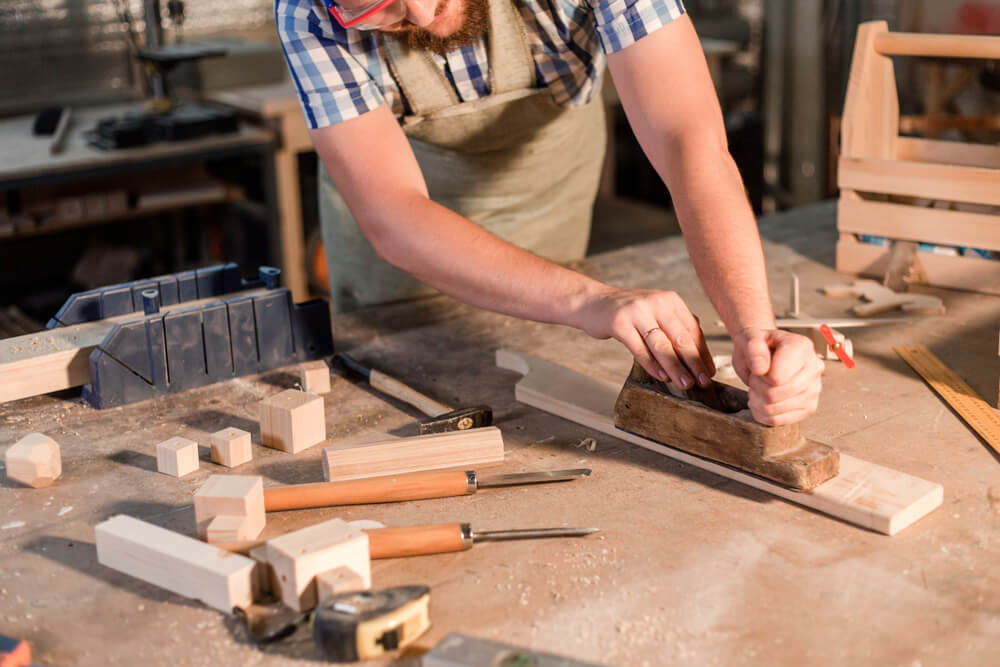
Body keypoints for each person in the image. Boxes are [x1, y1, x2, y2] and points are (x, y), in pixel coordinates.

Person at [275, 0, 823, 426]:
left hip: (549, 216)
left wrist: (756, 330)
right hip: (403, 268)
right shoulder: (308, 13)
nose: (421, 14)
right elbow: (394, 215)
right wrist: (590, 298)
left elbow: (687, 138)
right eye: (377, 7)